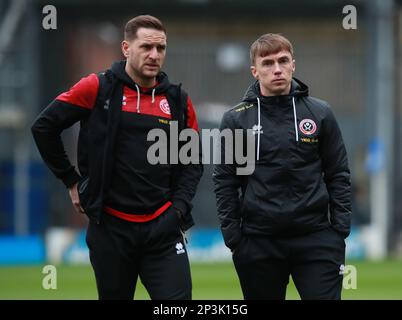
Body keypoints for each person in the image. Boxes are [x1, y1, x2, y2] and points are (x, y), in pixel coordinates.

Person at [32, 15, 203, 300]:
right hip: (110, 229)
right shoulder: (97, 88)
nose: (154, 55)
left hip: (163, 229)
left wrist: (178, 210)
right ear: (126, 48)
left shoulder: (177, 100)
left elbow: (192, 161)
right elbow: (44, 127)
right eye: (146, 47)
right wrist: (71, 180)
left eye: (160, 49)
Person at [213, 33, 351, 300]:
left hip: (317, 239)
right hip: (258, 242)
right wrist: (235, 239)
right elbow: (225, 181)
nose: (276, 69)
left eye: (282, 60)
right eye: (267, 63)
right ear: (255, 71)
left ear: (293, 65)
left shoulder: (320, 113)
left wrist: (339, 231)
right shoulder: (235, 120)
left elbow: (338, 173)